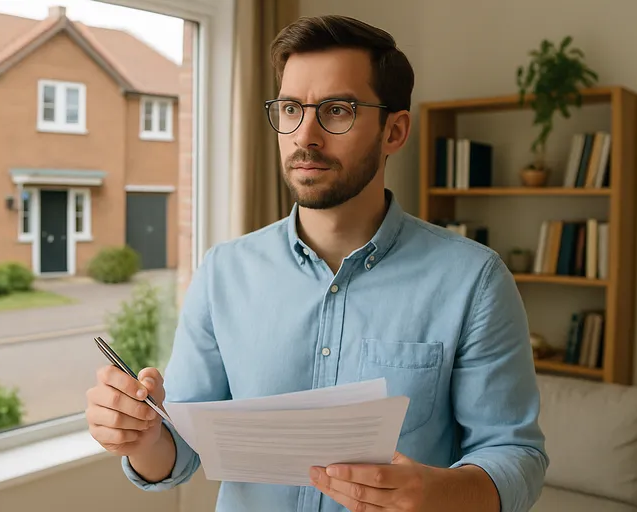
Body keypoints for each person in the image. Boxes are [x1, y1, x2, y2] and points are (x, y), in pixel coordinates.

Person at [85, 14, 549, 512]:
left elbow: (515, 451)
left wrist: (442, 494)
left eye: (337, 110)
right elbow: (178, 449)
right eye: (290, 108)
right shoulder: (223, 272)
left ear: (394, 131)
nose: (305, 135)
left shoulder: (473, 280)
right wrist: (141, 437)